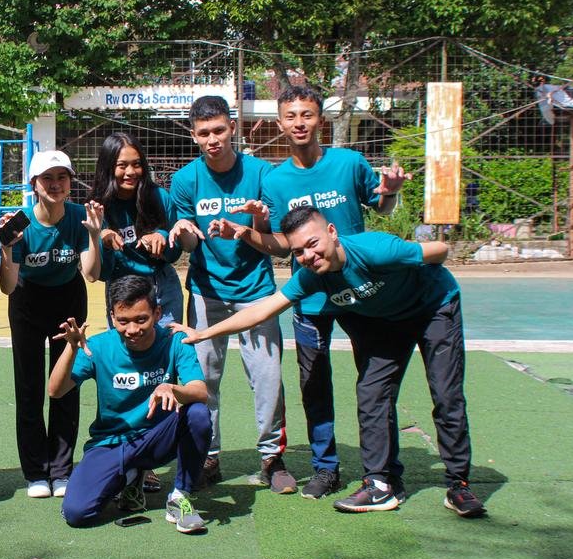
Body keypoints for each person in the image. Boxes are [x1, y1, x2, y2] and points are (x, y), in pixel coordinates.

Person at [179, 206, 486, 517]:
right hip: (390, 320)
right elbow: (262, 311)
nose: (308, 256)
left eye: (312, 244)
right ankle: (380, 484)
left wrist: (422, 274)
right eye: (298, 252)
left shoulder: (377, 250)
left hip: (435, 307)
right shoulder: (311, 277)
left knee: (445, 394)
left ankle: (458, 485)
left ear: (332, 232)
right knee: (372, 394)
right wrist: (203, 333)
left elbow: (440, 249)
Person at [258, 85, 409, 499]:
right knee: (314, 384)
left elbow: (381, 206)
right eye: (291, 116)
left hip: (362, 293)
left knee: (375, 383)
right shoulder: (274, 181)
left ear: (320, 120)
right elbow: (279, 244)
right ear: (280, 123)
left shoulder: (349, 163)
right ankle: (326, 468)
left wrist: (391, 190)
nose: (299, 123)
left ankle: (386, 470)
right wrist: (249, 231)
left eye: (307, 114)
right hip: (311, 300)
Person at [167, 95, 295, 493]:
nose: (213, 140)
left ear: (233, 128)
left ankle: (272, 458)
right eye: (204, 133)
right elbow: (188, 243)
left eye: (219, 130)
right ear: (194, 136)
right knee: (204, 379)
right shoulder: (185, 180)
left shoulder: (262, 173)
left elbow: (279, 243)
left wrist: (255, 224)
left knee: (268, 378)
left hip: (256, 291)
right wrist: (185, 234)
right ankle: (208, 456)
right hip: (206, 292)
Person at [48, 274, 212, 533]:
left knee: (198, 414)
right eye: (123, 321)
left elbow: (200, 392)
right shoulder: (98, 346)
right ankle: (130, 476)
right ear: (112, 317)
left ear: (157, 313)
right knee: (77, 513)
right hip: (110, 442)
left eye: (141, 319)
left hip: (157, 438)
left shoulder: (175, 341)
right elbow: (56, 391)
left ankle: (180, 496)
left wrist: (171, 388)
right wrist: (71, 348)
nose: (133, 329)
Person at [0, 149, 103, 499]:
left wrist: (94, 236)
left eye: (62, 177)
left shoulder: (80, 218)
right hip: (27, 302)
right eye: (47, 178)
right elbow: (7, 286)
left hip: (68, 301)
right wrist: (7, 249)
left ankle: (61, 470)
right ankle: (35, 473)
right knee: (29, 387)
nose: (56, 184)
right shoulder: (19, 223)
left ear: (70, 182)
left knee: (66, 385)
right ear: (34, 184)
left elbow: (91, 274)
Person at [90, 132, 184, 325]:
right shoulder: (97, 208)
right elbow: (102, 273)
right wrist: (103, 242)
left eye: (137, 164)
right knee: (127, 343)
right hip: (121, 288)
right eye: (122, 165)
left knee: (166, 342)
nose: (131, 172)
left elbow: (175, 253)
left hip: (162, 285)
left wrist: (162, 237)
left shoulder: (159, 197)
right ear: (108, 167)